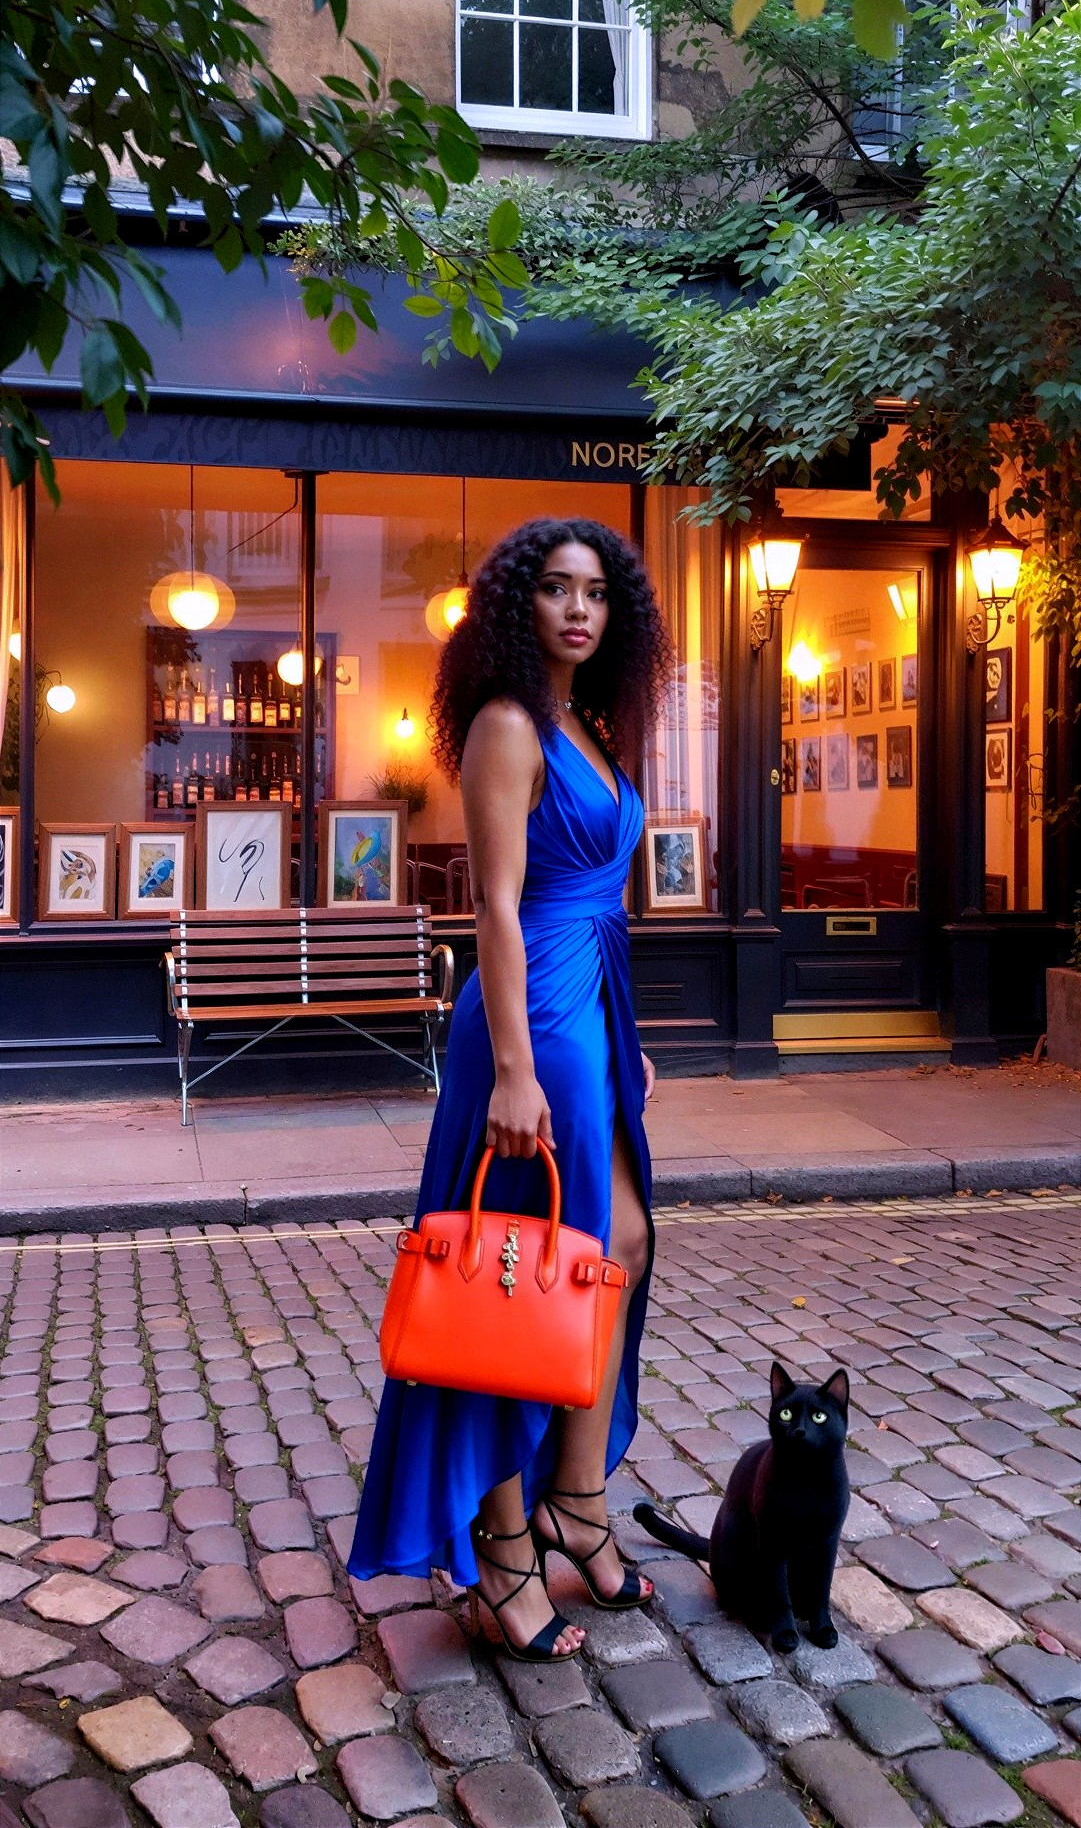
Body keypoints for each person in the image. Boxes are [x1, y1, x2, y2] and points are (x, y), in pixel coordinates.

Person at [349, 518, 672, 1662]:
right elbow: (491, 904)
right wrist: (523, 1073)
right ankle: (501, 1557)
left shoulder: (589, 722)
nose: (576, 609)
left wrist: (617, 1033)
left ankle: (574, 1504)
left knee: (614, 1239)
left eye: (594, 592)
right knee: (510, 1276)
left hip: (588, 1001)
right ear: (513, 606)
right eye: (553, 589)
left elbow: (598, 893)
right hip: (527, 1015)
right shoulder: (505, 724)